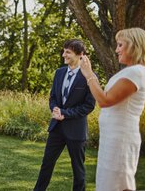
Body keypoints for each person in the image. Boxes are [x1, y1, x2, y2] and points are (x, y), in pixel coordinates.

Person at [80, 27, 145, 191]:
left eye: (120, 45)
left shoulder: (136, 72)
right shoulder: (131, 71)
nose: (116, 50)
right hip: (113, 138)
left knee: (117, 186)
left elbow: (105, 100)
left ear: (133, 45)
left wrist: (89, 75)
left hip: (121, 139)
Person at [34, 39, 96, 191]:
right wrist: (55, 108)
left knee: (78, 169)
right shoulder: (59, 73)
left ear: (80, 54)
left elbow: (89, 105)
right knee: (46, 163)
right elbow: (53, 97)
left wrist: (65, 113)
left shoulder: (89, 76)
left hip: (76, 130)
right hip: (56, 128)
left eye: (68, 52)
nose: (64, 55)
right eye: (64, 51)